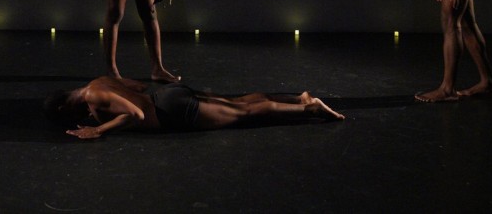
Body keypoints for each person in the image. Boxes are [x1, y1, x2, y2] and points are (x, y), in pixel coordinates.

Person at [44, 76, 345, 139]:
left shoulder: (93, 96)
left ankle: (310, 110)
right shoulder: (99, 81)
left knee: (244, 113)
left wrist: (98, 128)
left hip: (171, 113)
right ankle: (298, 97)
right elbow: (137, 87)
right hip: (167, 96)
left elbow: (134, 115)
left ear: (63, 108)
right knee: (237, 102)